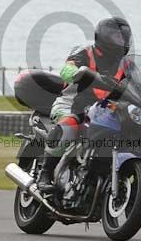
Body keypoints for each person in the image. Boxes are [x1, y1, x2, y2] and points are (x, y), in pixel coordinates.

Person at [37, 17, 131, 192]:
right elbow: (67, 69)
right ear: (103, 37)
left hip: (105, 111)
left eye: (124, 38)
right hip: (72, 105)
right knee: (69, 126)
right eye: (117, 37)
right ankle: (46, 173)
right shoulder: (85, 52)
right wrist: (77, 73)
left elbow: (139, 85)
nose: (121, 42)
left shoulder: (127, 64)